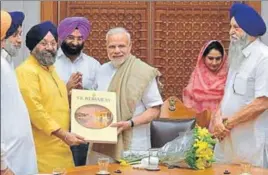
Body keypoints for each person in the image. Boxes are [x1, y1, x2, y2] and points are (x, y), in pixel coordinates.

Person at [16, 21, 86, 173]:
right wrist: (63, 135)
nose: (49, 47)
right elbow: (36, 111)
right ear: (33, 46)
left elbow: (55, 104)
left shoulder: (51, 70)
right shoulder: (26, 71)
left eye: (53, 43)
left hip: (63, 150)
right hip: (42, 154)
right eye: (43, 43)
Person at [90, 27, 163, 162]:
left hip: (134, 141)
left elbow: (155, 110)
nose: (117, 51)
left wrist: (130, 123)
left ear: (130, 47)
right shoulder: (102, 70)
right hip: (104, 141)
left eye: (121, 46)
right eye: (112, 46)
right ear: (106, 48)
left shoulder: (142, 72)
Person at [211, 3, 268, 168]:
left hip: (247, 143)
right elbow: (228, 95)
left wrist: (228, 124)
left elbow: (262, 102)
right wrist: (217, 117)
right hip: (225, 140)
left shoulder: (263, 58)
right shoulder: (236, 55)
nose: (230, 32)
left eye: (236, 27)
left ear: (248, 29)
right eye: (231, 27)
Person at [55, 17, 100, 166]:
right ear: (62, 37)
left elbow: (100, 97)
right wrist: (66, 88)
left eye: (79, 38)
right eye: (71, 37)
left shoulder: (93, 65)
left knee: (80, 166)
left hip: (83, 125)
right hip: (56, 126)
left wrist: (83, 93)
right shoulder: (51, 62)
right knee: (58, 166)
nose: (75, 43)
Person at [1, 11, 38, 175]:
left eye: (20, 34)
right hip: (8, 159)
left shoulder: (6, 63)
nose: (19, 40)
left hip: (17, 155)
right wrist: (2, 165)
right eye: (14, 35)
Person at [183, 40, 228, 128]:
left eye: (218, 58)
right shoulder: (196, 77)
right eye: (210, 58)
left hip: (222, 126)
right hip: (198, 127)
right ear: (203, 57)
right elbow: (189, 105)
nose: (214, 63)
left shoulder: (229, 78)